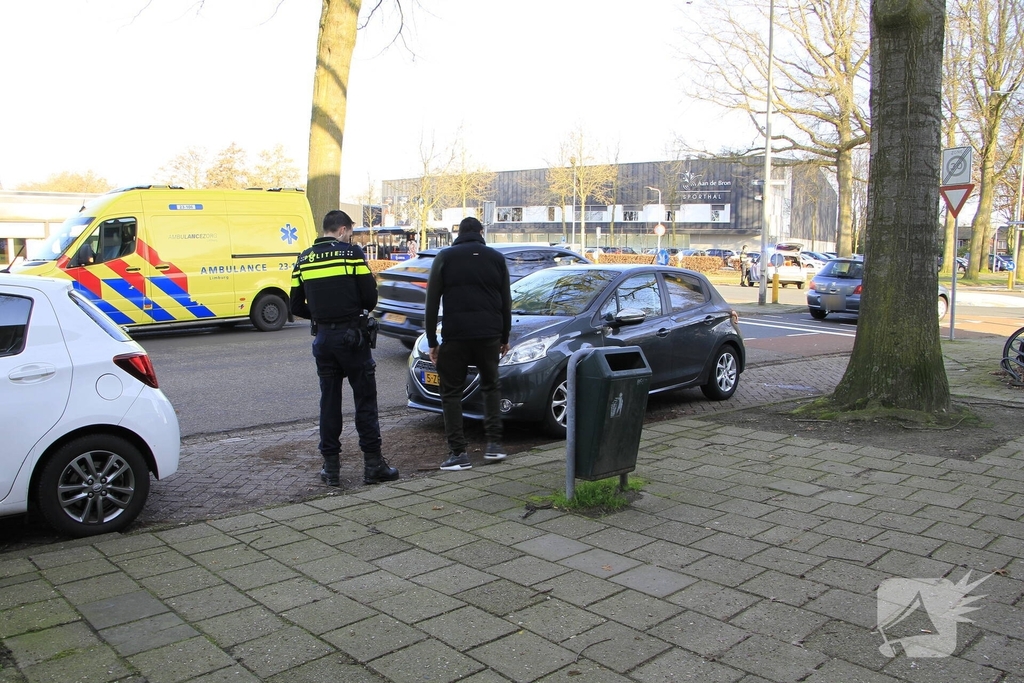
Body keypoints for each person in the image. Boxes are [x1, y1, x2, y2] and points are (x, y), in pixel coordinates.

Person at [289, 209, 399, 487]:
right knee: (364, 399)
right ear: (341, 230)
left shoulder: (303, 259)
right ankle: (373, 465)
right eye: (349, 232)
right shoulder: (351, 255)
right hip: (353, 338)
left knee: (329, 402)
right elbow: (370, 297)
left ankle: (331, 468)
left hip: (323, 338)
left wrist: (319, 315)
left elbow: (294, 306)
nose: (349, 236)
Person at [424, 216, 512, 471]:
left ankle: (458, 453)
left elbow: (431, 303)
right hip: (488, 336)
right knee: (490, 386)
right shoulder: (496, 258)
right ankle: (494, 445)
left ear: (458, 233)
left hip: (456, 336)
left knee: (450, 393)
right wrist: (504, 337)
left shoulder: (445, 257)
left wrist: (432, 340)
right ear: (481, 232)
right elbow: (506, 302)